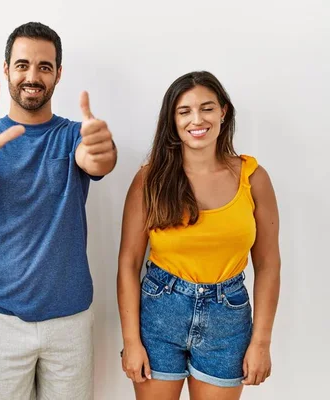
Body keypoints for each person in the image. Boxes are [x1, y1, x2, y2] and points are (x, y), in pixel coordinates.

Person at [0, 22, 117, 400]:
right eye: (22, 65)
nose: (32, 76)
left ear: (58, 74)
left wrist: (101, 151)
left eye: (44, 67)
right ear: (6, 69)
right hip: (0, 319)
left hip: (69, 320)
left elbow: (96, 161)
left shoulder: (72, 135)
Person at [117, 71, 281, 400]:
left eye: (206, 108)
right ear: (173, 121)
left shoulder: (254, 177)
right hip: (160, 312)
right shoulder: (150, 179)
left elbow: (268, 264)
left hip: (228, 318)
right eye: (184, 111)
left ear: (223, 112)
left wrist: (261, 342)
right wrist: (132, 342)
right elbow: (128, 262)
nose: (197, 119)